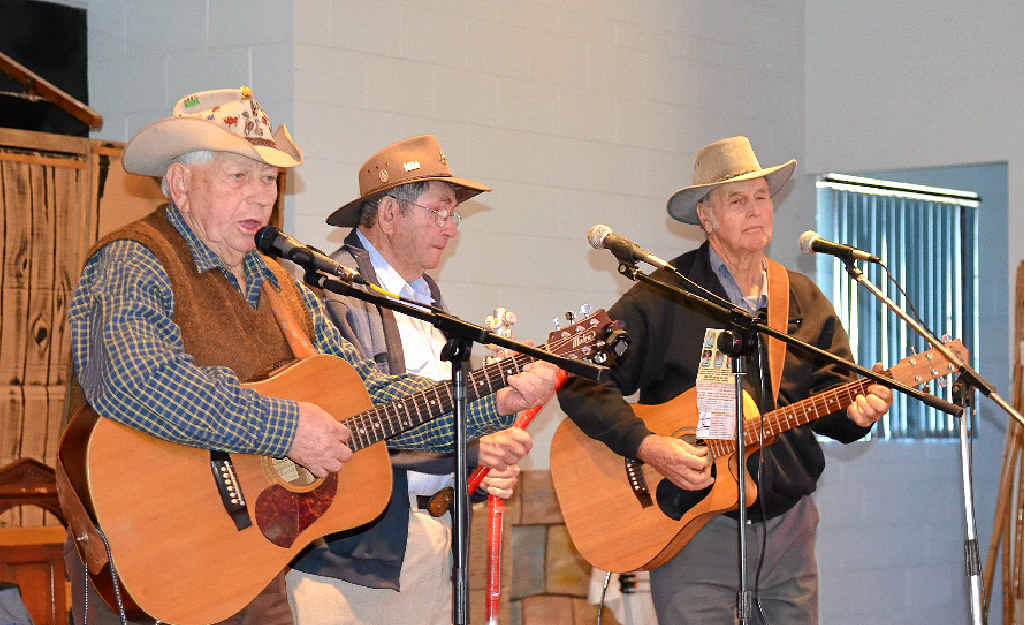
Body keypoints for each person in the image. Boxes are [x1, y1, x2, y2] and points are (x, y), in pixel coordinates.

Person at [63, 88, 557, 625]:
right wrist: (285, 427)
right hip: (146, 550)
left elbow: (367, 393)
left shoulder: (279, 282)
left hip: (251, 563)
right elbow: (138, 382)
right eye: (239, 177)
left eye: (270, 179)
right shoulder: (133, 261)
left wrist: (487, 399)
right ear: (180, 184)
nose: (261, 197)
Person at [557, 136, 893, 625]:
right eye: (738, 200)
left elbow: (834, 398)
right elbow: (578, 378)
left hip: (788, 526)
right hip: (695, 523)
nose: (757, 210)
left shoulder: (800, 297)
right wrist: (647, 445)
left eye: (761, 196)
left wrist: (856, 415)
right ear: (706, 217)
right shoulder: (664, 295)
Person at [285, 135, 533, 625]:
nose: (450, 229)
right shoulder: (331, 294)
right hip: (348, 554)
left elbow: (438, 414)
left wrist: (481, 470)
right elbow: (361, 418)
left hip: (429, 539)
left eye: (453, 216)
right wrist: (469, 451)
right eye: (438, 211)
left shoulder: (426, 300)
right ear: (389, 215)